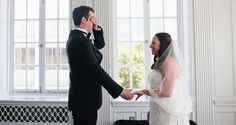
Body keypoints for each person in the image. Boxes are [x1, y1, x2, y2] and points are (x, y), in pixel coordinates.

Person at [66, 6, 134, 125]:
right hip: (84, 101)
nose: (95, 20)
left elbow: (99, 45)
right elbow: (96, 70)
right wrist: (121, 91)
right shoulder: (80, 41)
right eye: (92, 18)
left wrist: (95, 28)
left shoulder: (78, 38)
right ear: (84, 20)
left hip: (85, 101)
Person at [132, 32, 192, 125]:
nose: (150, 46)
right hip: (158, 111)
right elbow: (159, 88)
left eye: (154, 43)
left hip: (167, 115)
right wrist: (151, 110)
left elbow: (167, 92)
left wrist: (144, 91)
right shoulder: (162, 62)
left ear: (163, 45)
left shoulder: (170, 63)